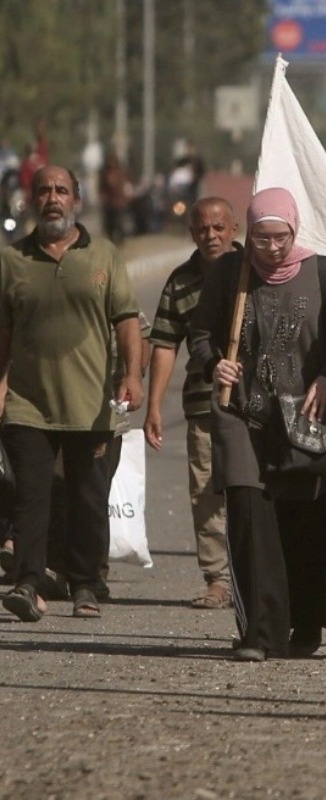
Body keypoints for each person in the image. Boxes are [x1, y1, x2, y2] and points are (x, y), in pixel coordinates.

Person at [189, 187, 326, 662]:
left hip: (306, 417)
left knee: (306, 521)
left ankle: (305, 622)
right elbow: (202, 332)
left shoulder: (323, 273)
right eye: (261, 238)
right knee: (249, 515)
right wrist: (213, 366)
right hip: (243, 415)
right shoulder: (231, 273)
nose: (270, 248)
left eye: (280, 238)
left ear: (294, 230)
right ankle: (257, 632)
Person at [0, 165, 143, 622]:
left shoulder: (104, 255)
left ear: (77, 199)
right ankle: (28, 582)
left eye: (61, 190)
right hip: (27, 403)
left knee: (86, 497)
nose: (52, 199)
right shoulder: (12, 259)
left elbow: (126, 321)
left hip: (91, 404)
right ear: (32, 199)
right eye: (44, 191)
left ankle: (84, 584)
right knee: (31, 496)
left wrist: (133, 377)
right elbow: (2, 331)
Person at [145, 197, 240, 609]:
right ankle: (217, 577)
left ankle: (257, 572)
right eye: (203, 229)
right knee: (205, 492)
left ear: (233, 230)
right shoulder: (181, 281)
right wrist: (153, 408)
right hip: (202, 408)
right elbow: (165, 344)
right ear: (192, 233)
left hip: (253, 408)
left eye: (219, 228)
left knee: (254, 491)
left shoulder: (253, 271)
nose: (211, 236)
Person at [99, 151, 132, 244]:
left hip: (119, 202)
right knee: (110, 223)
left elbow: (127, 185)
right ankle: (111, 238)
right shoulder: (105, 173)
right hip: (109, 202)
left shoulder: (121, 172)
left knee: (119, 222)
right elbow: (102, 187)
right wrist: (103, 198)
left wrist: (127, 196)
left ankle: (120, 239)